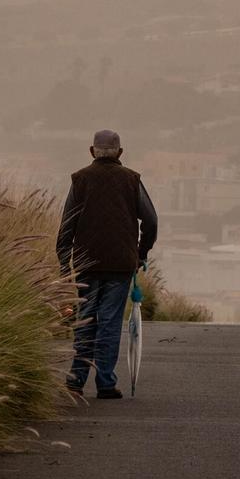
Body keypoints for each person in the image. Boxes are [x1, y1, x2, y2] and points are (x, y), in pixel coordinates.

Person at [57, 129, 157, 399]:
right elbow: (151, 221)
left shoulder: (80, 180)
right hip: (120, 264)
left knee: (85, 320)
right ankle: (105, 383)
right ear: (120, 153)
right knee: (110, 322)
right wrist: (141, 253)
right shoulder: (131, 180)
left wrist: (65, 267)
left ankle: (76, 381)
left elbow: (67, 226)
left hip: (87, 264)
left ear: (92, 151)